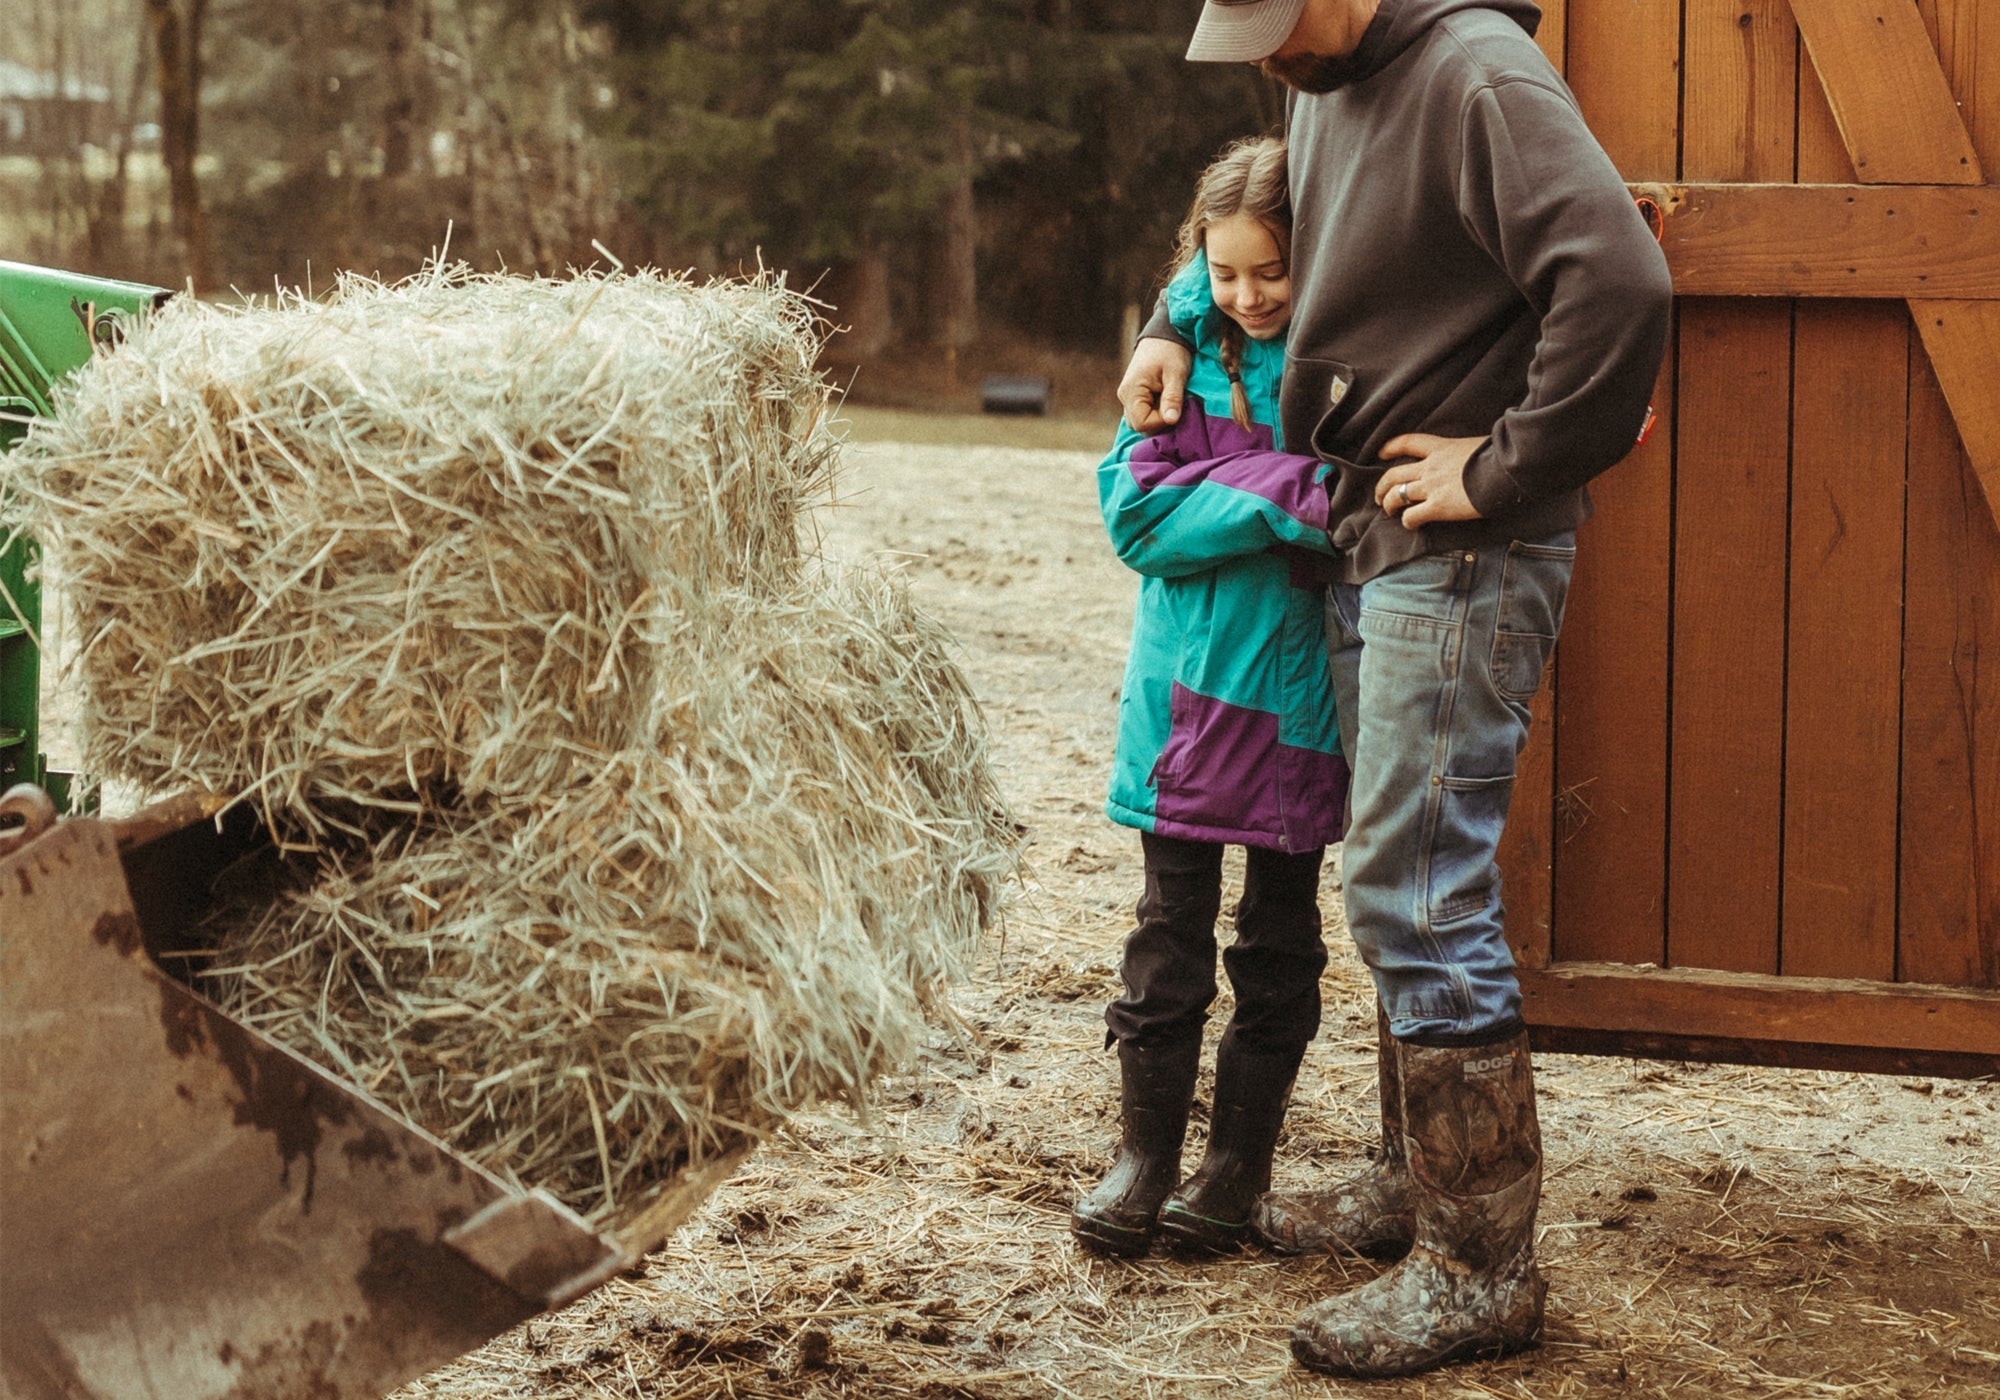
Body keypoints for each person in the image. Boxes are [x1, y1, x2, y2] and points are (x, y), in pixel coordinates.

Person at [1118, 0, 1674, 1379]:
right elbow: (1268, 223)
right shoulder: (1325, 74)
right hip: (1372, 538)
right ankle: (1409, 1186)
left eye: (1271, 21)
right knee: (1390, 867)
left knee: (1421, 885)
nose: (1261, 58)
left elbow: (1621, 281)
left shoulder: (1478, 73)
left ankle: (1482, 1267)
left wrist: (1502, 466)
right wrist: (1173, 321)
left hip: (1465, 549)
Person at [1073, 134, 1349, 1260]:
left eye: (1269, 271)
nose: (1246, 295)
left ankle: (1235, 1165)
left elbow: (1355, 500)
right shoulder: (1178, 360)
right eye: (1223, 273)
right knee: (1164, 935)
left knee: (1277, 943)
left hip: (1295, 705)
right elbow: (1135, 518)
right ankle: (1142, 1153)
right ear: (1197, 266)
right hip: (1181, 701)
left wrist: (1227, 486)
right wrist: (1283, 489)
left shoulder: (1340, 367)